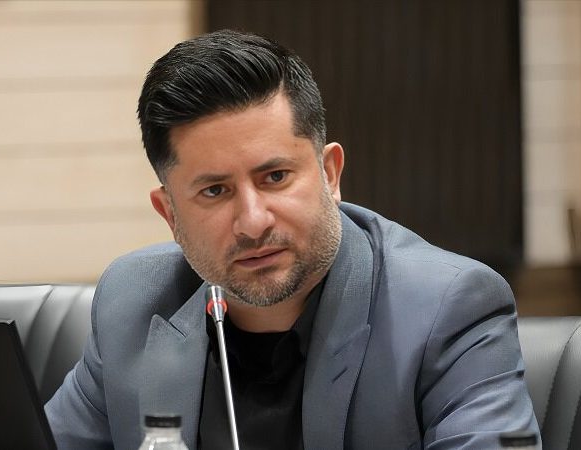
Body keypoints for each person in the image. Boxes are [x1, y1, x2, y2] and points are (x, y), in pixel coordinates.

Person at [45, 29, 540, 449]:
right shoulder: (132, 302)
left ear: (330, 174)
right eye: (215, 191)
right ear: (169, 214)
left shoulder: (446, 308)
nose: (253, 221)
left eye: (275, 177)